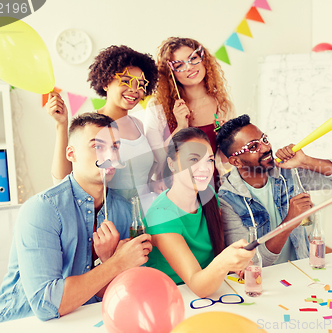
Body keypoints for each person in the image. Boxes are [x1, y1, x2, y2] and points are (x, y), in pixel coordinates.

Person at [0, 113, 152, 333]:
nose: (109, 155)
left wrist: (108, 260)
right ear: (71, 153)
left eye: (115, 147)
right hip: (16, 324)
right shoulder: (42, 209)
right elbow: (46, 305)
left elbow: (124, 292)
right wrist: (116, 263)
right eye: (98, 146)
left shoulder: (124, 211)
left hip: (81, 322)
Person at [216, 115, 332, 267]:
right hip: (265, 279)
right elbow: (248, 262)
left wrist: (306, 161)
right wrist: (290, 221)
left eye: (264, 140)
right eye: (253, 147)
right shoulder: (228, 200)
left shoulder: (286, 172)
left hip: (301, 267)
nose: (266, 148)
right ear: (235, 161)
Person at [144, 127, 254, 298]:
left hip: (214, 289)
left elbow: (212, 262)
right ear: (172, 164)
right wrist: (225, 262)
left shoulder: (209, 196)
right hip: (172, 298)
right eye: (194, 159)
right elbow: (198, 285)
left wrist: (236, 263)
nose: (204, 169)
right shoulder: (160, 215)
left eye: (209, 160)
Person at [47, 45, 158, 201]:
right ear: (105, 82)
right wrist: (61, 125)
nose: (134, 90)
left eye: (140, 84)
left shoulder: (138, 124)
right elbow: (61, 181)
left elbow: (139, 178)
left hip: (144, 217)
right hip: (110, 218)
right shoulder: (89, 126)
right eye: (126, 81)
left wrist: (153, 185)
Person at [144, 37, 236, 187]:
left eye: (193, 58)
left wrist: (226, 142)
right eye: (179, 64)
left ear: (203, 59)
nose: (189, 67)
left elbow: (226, 163)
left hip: (212, 188)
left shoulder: (223, 107)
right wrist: (180, 126)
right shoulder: (157, 108)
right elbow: (158, 161)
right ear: (170, 73)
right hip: (173, 190)